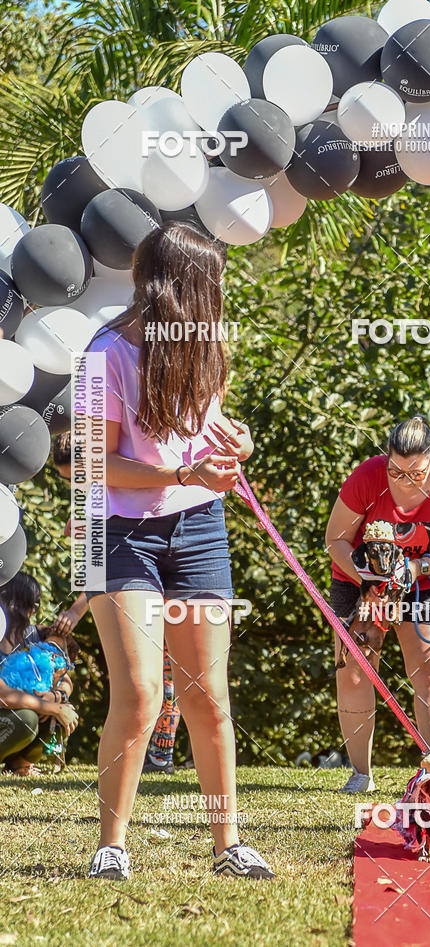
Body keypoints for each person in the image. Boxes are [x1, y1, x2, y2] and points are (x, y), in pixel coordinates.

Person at [80, 221, 273, 880]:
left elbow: (206, 428)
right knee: (140, 693)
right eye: (210, 284)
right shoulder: (105, 354)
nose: (218, 296)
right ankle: (111, 846)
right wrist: (183, 473)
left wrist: (237, 443)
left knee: (207, 696)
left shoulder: (204, 344)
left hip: (197, 529)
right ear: (179, 289)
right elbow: (94, 465)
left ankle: (228, 846)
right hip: (117, 534)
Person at [325, 416, 430, 793]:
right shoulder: (368, 476)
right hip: (361, 579)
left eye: (416, 472)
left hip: (424, 580)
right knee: (355, 669)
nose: (405, 480)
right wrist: (368, 578)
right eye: (395, 471)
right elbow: (335, 540)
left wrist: (418, 567)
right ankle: (361, 774)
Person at [54, 433, 181, 774]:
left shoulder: (119, 492)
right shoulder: (96, 499)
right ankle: (156, 754)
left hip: (161, 580)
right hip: (138, 584)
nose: (75, 486)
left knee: (168, 672)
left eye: (77, 477)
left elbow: (107, 566)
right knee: (147, 676)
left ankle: (160, 754)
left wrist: (76, 610)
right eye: (69, 481)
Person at [0, 573, 79, 774]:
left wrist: (56, 696)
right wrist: (51, 708)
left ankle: (19, 764)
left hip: (21, 710)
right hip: (8, 711)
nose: (35, 610)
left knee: (62, 712)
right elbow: (4, 696)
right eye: (32, 603)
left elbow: (65, 678)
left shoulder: (36, 635)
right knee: (27, 719)